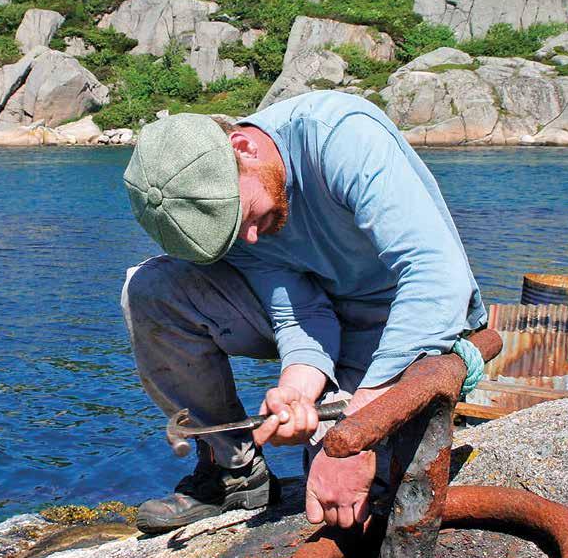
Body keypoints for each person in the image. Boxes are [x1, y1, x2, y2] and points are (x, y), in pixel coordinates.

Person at [121, 90, 486, 534]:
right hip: (332, 318)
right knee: (151, 289)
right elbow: (300, 313)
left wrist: (359, 428)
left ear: (243, 147)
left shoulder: (340, 138)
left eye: (246, 217)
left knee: (350, 502)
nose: (250, 239)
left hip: (400, 325)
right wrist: (296, 387)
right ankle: (234, 469)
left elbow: (437, 276)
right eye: (232, 235)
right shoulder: (239, 218)